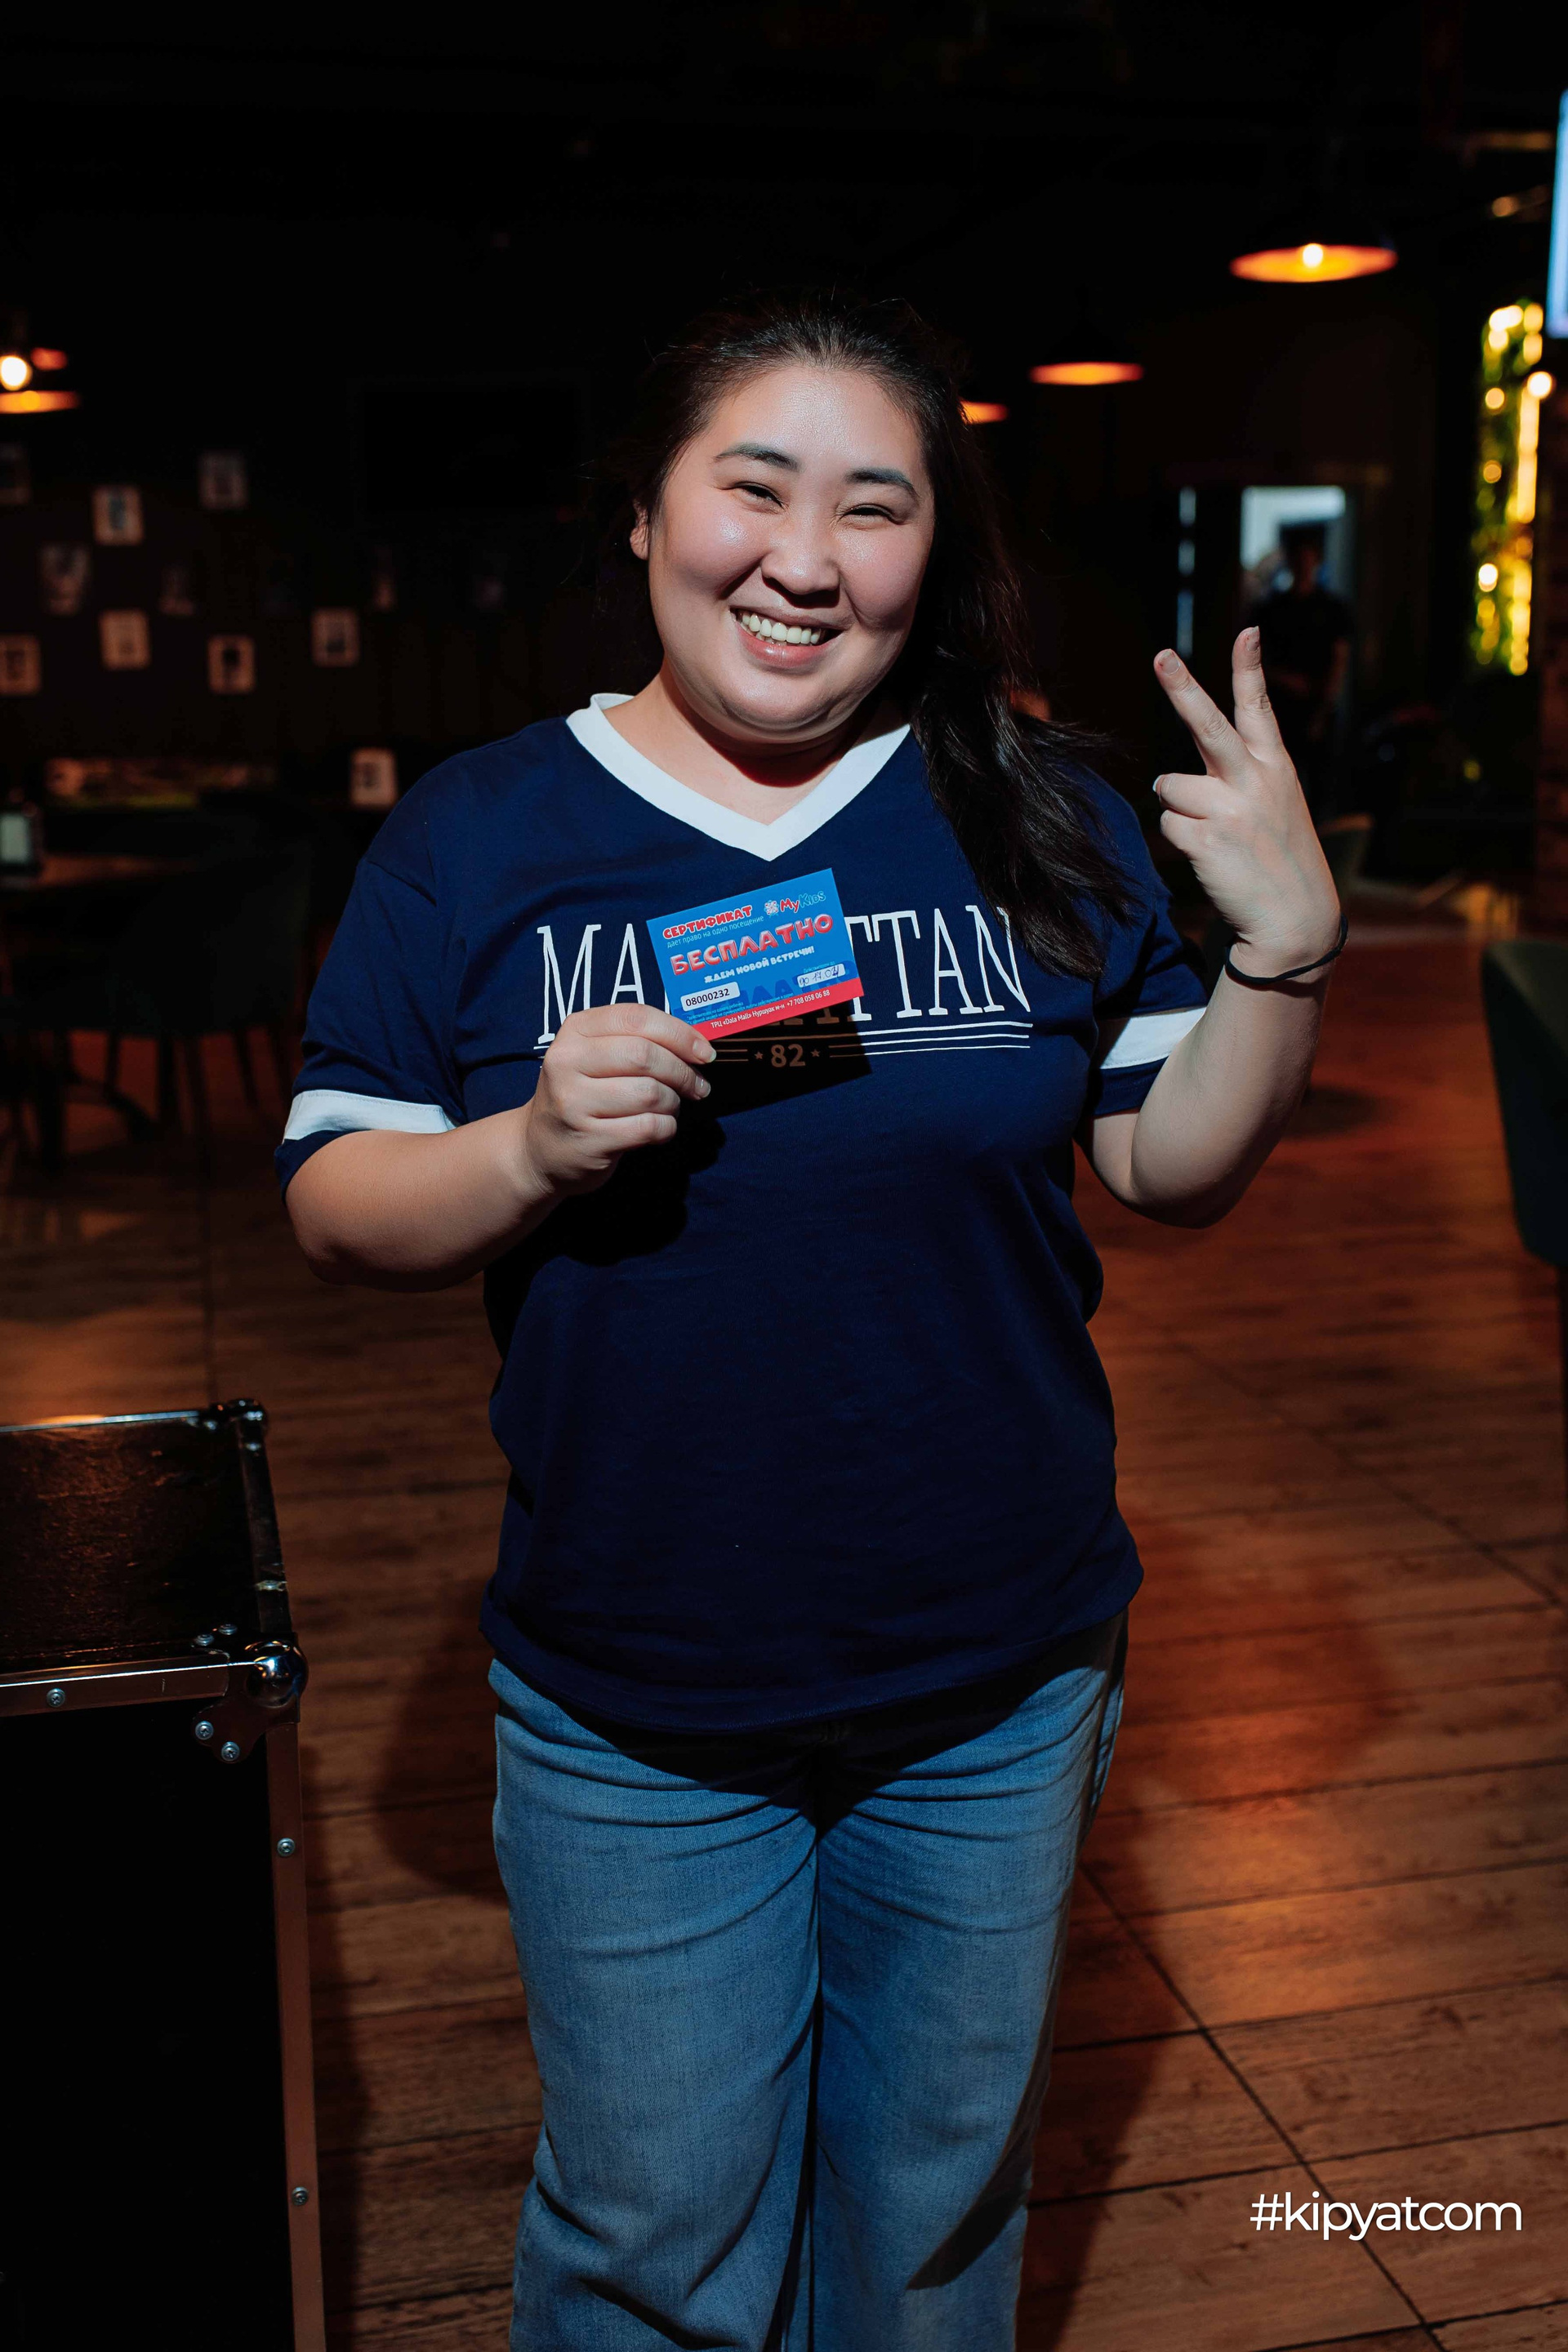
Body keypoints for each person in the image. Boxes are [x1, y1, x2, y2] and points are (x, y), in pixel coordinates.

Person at [278, 292, 1339, 2351]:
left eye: (874, 505)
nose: (804, 558)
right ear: (645, 514)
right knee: (654, 2238)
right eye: (751, 487)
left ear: (933, 550)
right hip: (638, 1689)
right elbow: (336, 1200)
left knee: (933, 2220)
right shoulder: (482, 831)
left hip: (1000, 1670)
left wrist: (1284, 958)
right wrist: (526, 1149)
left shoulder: (1033, 805)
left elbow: (1168, 1163)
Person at [1252, 522, 1353, 817]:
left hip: (1318, 707)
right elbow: (1257, 659)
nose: (1303, 564)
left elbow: (1339, 659)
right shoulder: (1272, 609)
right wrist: (1285, 680)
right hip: (1281, 709)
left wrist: (1324, 706)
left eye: (1308, 557)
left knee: (1321, 789)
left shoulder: (1332, 608)